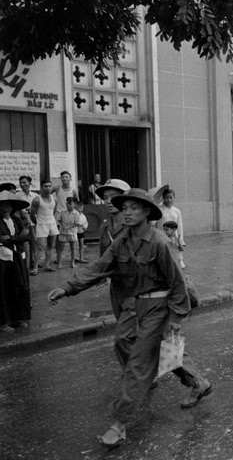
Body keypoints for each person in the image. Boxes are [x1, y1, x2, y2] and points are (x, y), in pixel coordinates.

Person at [47, 188, 212, 448]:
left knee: (138, 362)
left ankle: (119, 424)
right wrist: (68, 287)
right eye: (124, 208)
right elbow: (99, 267)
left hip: (159, 307)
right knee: (125, 343)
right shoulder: (122, 241)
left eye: (134, 208)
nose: (127, 212)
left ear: (147, 212)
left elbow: (177, 282)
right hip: (134, 305)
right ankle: (195, 382)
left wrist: (177, 317)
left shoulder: (159, 241)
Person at [0, 191, 31, 331]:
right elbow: (1, 239)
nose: (5, 209)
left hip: (18, 257)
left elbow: (26, 236)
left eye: (7, 206)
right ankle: (4, 322)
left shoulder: (16, 220)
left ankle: (18, 318)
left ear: (12, 207)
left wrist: (11, 238)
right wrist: (18, 237)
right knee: (4, 288)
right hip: (3, 260)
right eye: (1, 206)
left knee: (19, 287)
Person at [31, 179, 58, 273]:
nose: (48, 188)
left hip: (52, 224)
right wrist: (37, 223)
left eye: (50, 186)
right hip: (41, 224)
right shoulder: (37, 200)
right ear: (41, 187)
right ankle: (35, 268)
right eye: (45, 186)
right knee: (40, 247)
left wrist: (51, 220)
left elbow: (54, 211)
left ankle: (47, 265)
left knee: (51, 245)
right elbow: (32, 214)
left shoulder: (54, 199)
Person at [52, 171, 79, 264]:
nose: (65, 179)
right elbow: (47, 194)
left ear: (70, 179)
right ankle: (57, 256)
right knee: (58, 237)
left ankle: (74, 257)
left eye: (67, 177)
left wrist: (78, 214)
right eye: (63, 177)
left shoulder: (73, 191)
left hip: (70, 216)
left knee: (73, 236)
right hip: (59, 215)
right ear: (60, 179)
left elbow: (77, 202)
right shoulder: (57, 188)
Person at [157, 189, 185, 268]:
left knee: (176, 258)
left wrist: (181, 240)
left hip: (174, 237)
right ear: (163, 198)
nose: (169, 200)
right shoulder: (159, 209)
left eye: (170, 197)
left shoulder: (177, 211)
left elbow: (180, 226)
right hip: (163, 236)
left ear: (173, 198)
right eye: (166, 198)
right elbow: (154, 223)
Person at [16, 176, 38, 273]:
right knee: (25, 244)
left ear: (30, 183)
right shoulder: (17, 195)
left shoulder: (35, 196)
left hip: (33, 221)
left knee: (34, 243)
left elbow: (38, 209)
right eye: (21, 183)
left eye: (25, 183)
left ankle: (34, 262)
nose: (23, 185)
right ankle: (26, 265)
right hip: (22, 222)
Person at [57, 197, 82, 268]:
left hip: (72, 233)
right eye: (67, 203)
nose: (68, 205)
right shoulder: (62, 211)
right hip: (63, 232)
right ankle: (59, 263)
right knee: (61, 248)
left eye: (70, 204)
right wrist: (63, 225)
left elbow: (77, 223)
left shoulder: (76, 213)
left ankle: (72, 263)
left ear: (74, 204)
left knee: (73, 248)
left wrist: (68, 227)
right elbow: (59, 220)